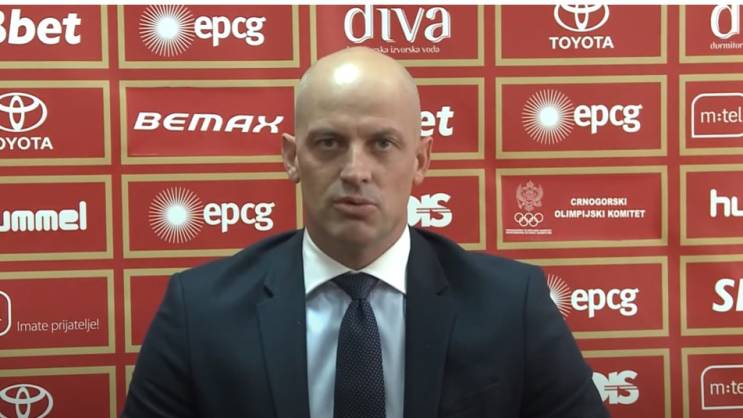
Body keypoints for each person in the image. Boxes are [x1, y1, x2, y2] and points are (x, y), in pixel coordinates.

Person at [122, 47, 609, 418]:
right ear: (292, 158)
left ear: (421, 160)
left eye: (382, 143)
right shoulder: (199, 312)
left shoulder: (511, 305)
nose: (355, 171)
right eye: (329, 142)